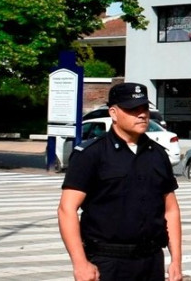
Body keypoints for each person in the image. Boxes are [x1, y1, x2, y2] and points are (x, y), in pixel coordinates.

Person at [57, 82, 183, 281]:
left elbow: (171, 209)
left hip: (151, 261)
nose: (141, 114)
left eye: (144, 109)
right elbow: (67, 209)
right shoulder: (91, 154)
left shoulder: (158, 154)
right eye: (133, 109)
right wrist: (80, 263)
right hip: (107, 261)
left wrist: (176, 260)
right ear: (114, 113)